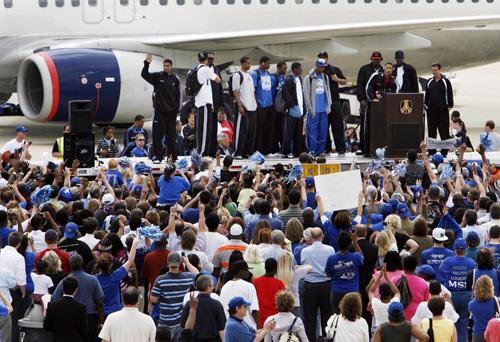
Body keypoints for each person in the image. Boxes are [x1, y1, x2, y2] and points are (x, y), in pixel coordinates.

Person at [52, 255, 105, 342]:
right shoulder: (93, 280)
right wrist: (101, 321)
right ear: (82, 263)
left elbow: (54, 298)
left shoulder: (65, 281)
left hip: (70, 319)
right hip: (89, 318)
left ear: (70, 265)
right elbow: (99, 302)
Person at [149, 252, 198, 342]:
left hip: (165, 322)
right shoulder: (188, 277)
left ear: (168, 263)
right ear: (180, 263)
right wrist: (187, 262)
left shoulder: (160, 279)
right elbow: (198, 274)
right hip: (181, 321)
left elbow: (153, 299)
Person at [142, 54, 181, 162]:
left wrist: (176, 109)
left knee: (171, 136)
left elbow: (178, 95)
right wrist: (147, 63)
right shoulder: (157, 77)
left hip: (171, 113)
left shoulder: (175, 79)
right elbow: (144, 74)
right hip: (160, 111)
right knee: (158, 136)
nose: (166, 67)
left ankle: (172, 156)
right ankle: (158, 156)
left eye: (168, 65)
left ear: (171, 67)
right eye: (164, 65)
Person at [300, 227, 334, 341]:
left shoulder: (305, 251)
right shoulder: (330, 249)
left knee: (310, 317)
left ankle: (311, 339)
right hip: (326, 285)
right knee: (327, 315)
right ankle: (326, 338)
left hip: (310, 286)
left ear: (311, 237)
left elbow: (303, 267)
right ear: (322, 236)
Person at [440, 237, 476, 342]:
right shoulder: (471, 262)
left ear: (454, 249)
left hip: (451, 296)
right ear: (465, 249)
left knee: (449, 323)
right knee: (463, 325)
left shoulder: (447, 261)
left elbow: (441, 271)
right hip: (466, 296)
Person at [94, 238, 139, 316]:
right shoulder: (116, 275)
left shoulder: (94, 279)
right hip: (115, 311)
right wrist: (134, 243)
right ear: (111, 264)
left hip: (98, 313)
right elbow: (130, 260)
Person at [325, 231, 364, 314]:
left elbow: (327, 274)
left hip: (337, 292)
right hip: (353, 291)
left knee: (337, 317)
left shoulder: (331, 258)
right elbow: (362, 257)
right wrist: (355, 242)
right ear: (349, 244)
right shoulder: (356, 257)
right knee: (354, 317)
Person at [317, 51, 347, 157]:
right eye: (320, 57)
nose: (322, 59)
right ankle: (326, 148)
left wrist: (337, 79)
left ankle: (341, 149)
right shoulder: (316, 71)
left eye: (324, 57)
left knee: (337, 126)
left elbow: (345, 81)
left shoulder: (334, 69)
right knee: (324, 126)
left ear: (327, 58)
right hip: (322, 102)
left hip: (334, 101)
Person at [180, 275, 226, 341]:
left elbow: (183, 325)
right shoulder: (217, 304)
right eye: (212, 285)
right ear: (209, 287)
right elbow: (222, 329)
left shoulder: (189, 304)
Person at [194, 51, 222, 157]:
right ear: (206, 60)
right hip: (204, 103)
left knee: (203, 128)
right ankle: (202, 152)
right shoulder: (205, 69)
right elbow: (218, 80)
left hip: (202, 103)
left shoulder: (197, 69)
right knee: (204, 129)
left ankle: (203, 151)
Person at [43, 276, 88, 341]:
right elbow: (85, 329)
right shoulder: (81, 308)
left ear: (63, 288)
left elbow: (47, 326)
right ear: (76, 290)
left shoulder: (52, 305)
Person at [356, 51, 383, 156]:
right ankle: (363, 148)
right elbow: (360, 86)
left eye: (378, 59)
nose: (376, 61)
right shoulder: (364, 69)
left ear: (381, 59)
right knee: (364, 126)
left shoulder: (383, 70)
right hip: (366, 103)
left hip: (379, 104)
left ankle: (377, 147)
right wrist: (362, 100)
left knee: (378, 126)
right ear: (371, 59)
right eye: (374, 59)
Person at [0, 232, 26, 342]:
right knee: (12, 321)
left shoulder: (1, 252)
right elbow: (20, 280)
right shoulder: (19, 257)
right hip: (9, 292)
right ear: (19, 244)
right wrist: (23, 292)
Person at [303, 58, 332, 156]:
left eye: (324, 67)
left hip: (323, 109)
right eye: (321, 67)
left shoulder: (325, 77)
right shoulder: (309, 78)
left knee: (323, 130)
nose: (323, 69)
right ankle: (312, 150)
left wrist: (329, 106)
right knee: (312, 131)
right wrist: (310, 109)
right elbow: (306, 94)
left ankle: (321, 151)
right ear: (317, 66)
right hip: (314, 110)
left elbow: (328, 91)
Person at [220, 260, 260, 330]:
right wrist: (259, 326)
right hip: (247, 329)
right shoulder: (249, 286)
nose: (248, 272)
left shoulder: (224, 287)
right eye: (247, 270)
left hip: (228, 328)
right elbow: (254, 311)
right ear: (241, 271)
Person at [425, 63, 454, 156]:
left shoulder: (446, 81)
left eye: (436, 70)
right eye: (433, 70)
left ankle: (444, 152)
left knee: (444, 132)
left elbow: (450, 94)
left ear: (440, 70)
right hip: (432, 112)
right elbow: (427, 96)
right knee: (431, 132)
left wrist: (449, 106)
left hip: (443, 112)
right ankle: (431, 151)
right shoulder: (429, 82)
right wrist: (426, 107)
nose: (434, 72)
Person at [232, 56, 258, 159]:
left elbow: (252, 91)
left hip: (252, 107)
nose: (249, 65)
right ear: (242, 64)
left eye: (250, 63)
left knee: (251, 131)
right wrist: (239, 105)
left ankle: (248, 152)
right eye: (248, 63)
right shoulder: (237, 75)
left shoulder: (249, 76)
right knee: (241, 131)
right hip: (243, 107)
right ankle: (238, 152)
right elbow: (235, 91)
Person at [391, 255, 430, 320]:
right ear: (415, 267)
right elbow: (426, 302)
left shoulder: (394, 280)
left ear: (403, 265)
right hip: (417, 318)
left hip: (398, 317)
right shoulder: (423, 283)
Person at [282, 62, 305, 158]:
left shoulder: (299, 79)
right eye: (299, 68)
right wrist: (291, 105)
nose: (301, 70)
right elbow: (286, 93)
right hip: (292, 109)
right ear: (295, 69)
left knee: (298, 133)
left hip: (300, 109)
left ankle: (297, 151)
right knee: (289, 132)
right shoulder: (289, 79)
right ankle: (286, 151)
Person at [252, 258, 285, 327]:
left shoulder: (255, 282)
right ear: (276, 269)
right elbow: (282, 303)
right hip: (275, 320)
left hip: (259, 319)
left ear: (265, 267)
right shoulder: (279, 284)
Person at [252, 56, 274, 156]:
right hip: (260, 106)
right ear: (262, 63)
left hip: (269, 106)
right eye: (268, 63)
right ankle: (259, 150)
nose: (269, 65)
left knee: (268, 129)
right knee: (259, 129)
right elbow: (253, 90)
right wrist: (256, 103)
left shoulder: (268, 74)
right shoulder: (255, 74)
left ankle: (267, 150)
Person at [367, 266, 401, 332]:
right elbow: (397, 292)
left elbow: (371, 291)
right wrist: (387, 278)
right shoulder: (395, 302)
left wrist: (379, 276)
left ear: (380, 293)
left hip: (379, 331)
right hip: (392, 331)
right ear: (390, 292)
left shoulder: (375, 303)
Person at [469, 275, 498, 342]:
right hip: (493, 334)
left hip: (478, 335)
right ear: (491, 287)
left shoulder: (471, 304)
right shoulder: (496, 301)